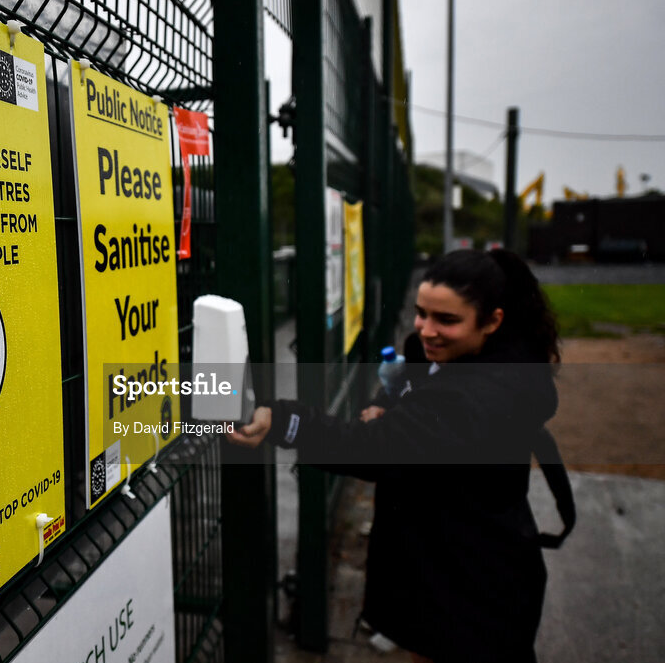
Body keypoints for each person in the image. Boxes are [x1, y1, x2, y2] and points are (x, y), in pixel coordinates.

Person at [229, 249, 566, 663]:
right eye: (422, 313)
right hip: (456, 568)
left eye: (447, 320)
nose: (426, 331)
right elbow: (409, 390)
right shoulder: (474, 360)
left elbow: (366, 448)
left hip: (470, 592)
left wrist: (282, 419)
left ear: (493, 321)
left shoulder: (478, 397)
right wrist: (391, 405)